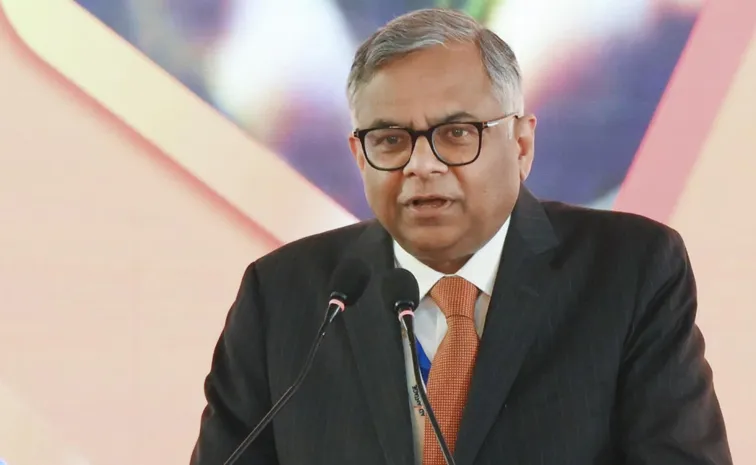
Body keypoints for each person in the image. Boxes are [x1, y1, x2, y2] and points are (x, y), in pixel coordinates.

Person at [190, 8, 732, 465]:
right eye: (390, 140)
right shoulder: (283, 296)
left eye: (455, 134)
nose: (421, 165)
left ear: (521, 145)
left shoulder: (629, 271)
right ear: (359, 155)